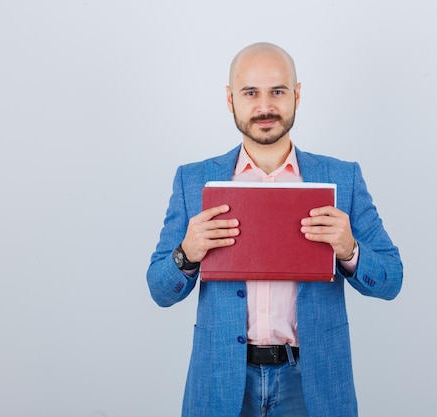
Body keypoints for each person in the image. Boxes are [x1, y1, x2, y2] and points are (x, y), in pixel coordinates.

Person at [147, 42, 403, 417]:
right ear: (230, 99)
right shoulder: (194, 181)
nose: (265, 106)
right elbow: (159, 289)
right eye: (250, 92)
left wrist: (350, 250)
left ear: (297, 95)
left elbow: (392, 279)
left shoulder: (342, 179)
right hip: (222, 382)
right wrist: (187, 253)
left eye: (278, 91)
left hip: (313, 384)